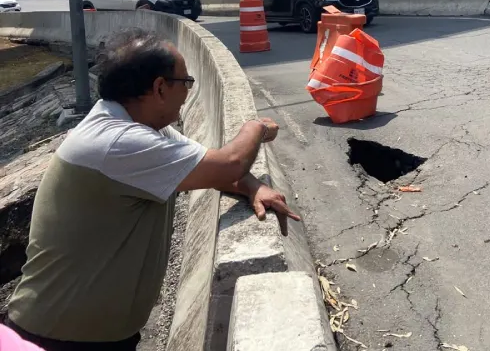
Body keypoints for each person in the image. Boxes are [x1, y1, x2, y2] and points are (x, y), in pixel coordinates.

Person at [5, 29, 301, 350]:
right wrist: (254, 127)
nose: (188, 93)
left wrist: (253, 186)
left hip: (98, 334)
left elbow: (212, 169)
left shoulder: (142, 132)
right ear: (160, 88)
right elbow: (230, 163)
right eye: (186, 83)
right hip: (55, 339)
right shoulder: (118, 142)